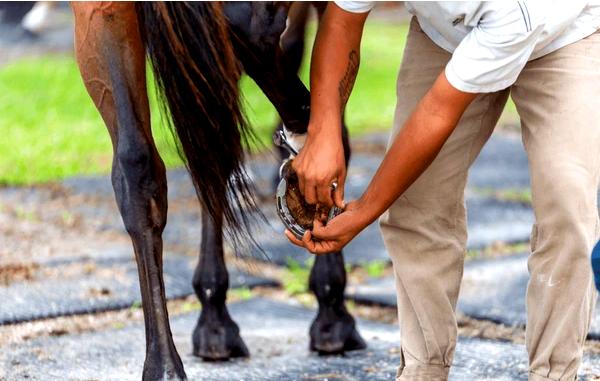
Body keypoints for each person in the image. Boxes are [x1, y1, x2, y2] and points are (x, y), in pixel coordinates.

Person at [285, 2, 600, 380]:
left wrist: (363, 211)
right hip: (444, 36)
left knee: (566, 201)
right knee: (417, 201)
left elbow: (438, 111)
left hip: (562, 32)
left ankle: (554, 373)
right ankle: (424, 369)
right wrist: (323, 132)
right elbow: (341, 19)